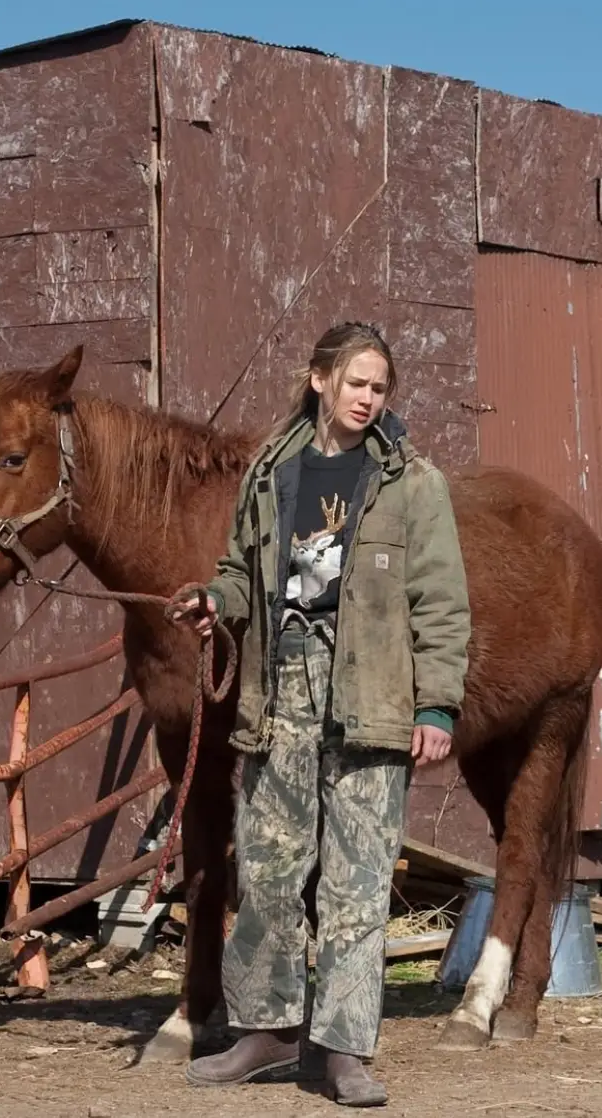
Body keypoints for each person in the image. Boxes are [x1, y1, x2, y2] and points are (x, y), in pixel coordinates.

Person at [178, 321, 471, 1108]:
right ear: (320, 381)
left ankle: (342, 1048)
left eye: (381, 388)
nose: (369, 399)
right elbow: (239, 567)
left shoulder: (414, 483)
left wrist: (438, 704)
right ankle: (267, 1034)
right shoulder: (272, 471)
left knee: (357, 884)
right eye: (357, 383)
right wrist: (217, 604)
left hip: (371, 703)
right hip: (279, 699)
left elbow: (441, 604)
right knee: (271, 873)